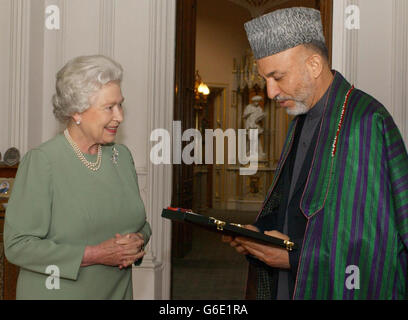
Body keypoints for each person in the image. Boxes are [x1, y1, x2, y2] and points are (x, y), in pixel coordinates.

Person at [223, 7, 408, 299]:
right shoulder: (301, 119)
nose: (270, 92)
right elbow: (291, 204)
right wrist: (256, 233)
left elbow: (375, 246)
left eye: (278, 77)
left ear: (313, 65)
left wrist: (294, 258)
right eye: (265, 79)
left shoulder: (365, 121)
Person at [4, 55, 152, 299]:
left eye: (120, 105)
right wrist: (95, 254)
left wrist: (138, 239)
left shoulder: (121, 156)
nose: (120, 116)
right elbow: (18, 246)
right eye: (109, 107)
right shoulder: (44, 161)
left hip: (118, 292)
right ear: (76, 112)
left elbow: (139, 223)